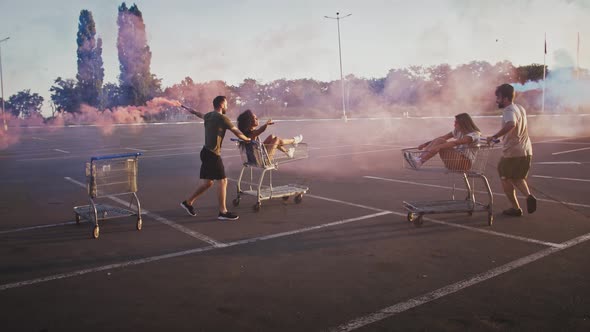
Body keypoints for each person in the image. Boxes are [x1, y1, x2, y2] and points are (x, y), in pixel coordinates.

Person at [180, 96, 251, 220]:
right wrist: (247, 139)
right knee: (223, 181)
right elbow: (237, 132)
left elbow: (198, 114)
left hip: (205, 152)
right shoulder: (223, 118)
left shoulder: (208, 116)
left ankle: (188, 202)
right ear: (222, 104)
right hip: (212, 154)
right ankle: (222, 212)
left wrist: (189, 109)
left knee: (208, 183)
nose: (228, 106)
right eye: (227, 103)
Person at [487, 83, 536, 217]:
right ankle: (528, 196)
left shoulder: (508, 110)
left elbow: (511, 124)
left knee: (505, 177)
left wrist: (495, 136)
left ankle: (515, 208)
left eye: (498, 97)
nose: (497, 100)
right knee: (517, 177)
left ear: (505, 98)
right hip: (526, 150)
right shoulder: (520, 108)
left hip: (512, 152)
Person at [404, 113, 482, 171]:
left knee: (442, 143)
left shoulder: (474, 134)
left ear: (463, 124)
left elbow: (456, 143)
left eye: (456, 122)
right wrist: (425, 144)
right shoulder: (458, 131)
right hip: (455, 160)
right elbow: (442, 138)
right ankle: (418, 160)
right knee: (440, 140)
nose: (454, 124)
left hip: (465, 163)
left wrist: (439, 147)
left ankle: (419, 161)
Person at [236, 109, 302, 162]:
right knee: (277, 139)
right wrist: (266, 124)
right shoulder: (252, 134)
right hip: (263, 161)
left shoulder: (247, 135)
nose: (257, 119)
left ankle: (288, 151)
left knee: (272, 137)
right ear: (249, 122)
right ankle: (294, 140)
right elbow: (260, 130)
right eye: (255, 118)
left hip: (258, 157)